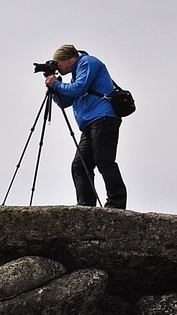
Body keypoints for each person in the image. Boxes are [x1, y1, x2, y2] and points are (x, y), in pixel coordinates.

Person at [44, 43, 127, 209]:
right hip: (90, 123)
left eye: (58, 63)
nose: (57, 67)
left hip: (103, 118)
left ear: (68, 60)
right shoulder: (77, 72)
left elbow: (79, 89)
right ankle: (86, 205)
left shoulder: (88, 62)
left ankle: (116, 203)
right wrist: (54, 87)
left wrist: (57, 84)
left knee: (104, 160)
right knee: (80, 166)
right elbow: (65, 101)